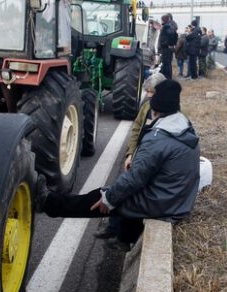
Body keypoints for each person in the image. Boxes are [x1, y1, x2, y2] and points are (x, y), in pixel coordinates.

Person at [42, 80, 201, 249]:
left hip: (164, 204)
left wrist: (108, 199)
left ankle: (49, 204)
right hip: (178, 200)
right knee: (124, 191)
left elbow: (135, 179)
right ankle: (124, 238)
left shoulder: (158, 139)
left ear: (154, 111)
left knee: (102, 196)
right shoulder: (184, 126)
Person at [96, 73, 168, 239]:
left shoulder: (171, 111)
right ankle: (113, 229)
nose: (148, 96)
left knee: (127, 191)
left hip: (151, 161)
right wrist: (130, 154)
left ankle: (123, 234)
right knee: (121, 187)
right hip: (139, 157)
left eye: (152, 92)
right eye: (148, 92)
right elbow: (136, 129)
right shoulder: (146, 108)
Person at [158, 15, 177, 79]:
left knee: (166, 64)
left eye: (161, 20)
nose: (161, 21)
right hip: (170, 48)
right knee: (168, 64)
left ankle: (166, 78)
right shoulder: (172, 27)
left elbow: (164, 38)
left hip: (166, 48)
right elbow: (175, 37)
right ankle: (168, 78)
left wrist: (164, 44)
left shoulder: (166, 27)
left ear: (164, 20)